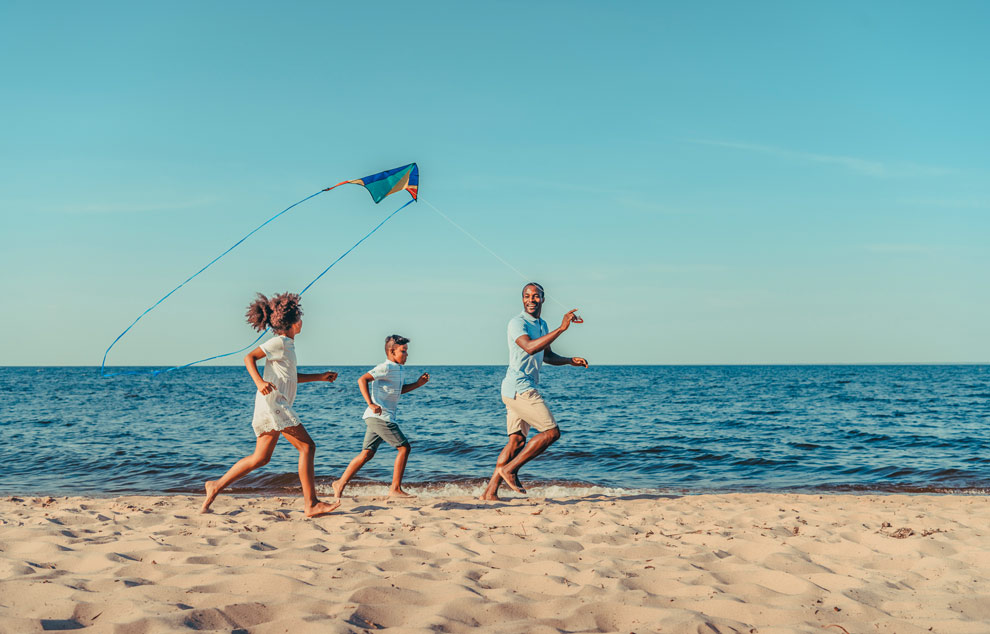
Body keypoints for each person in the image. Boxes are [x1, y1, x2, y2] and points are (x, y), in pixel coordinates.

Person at [201, 292, 340, 517]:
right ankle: (311, 503)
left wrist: (319, 376)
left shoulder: (287, 345)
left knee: (261, 458)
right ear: (295, 323)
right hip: (274, 404)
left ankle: (215, 485)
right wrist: (259, 382)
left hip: (271, 405)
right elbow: (249, 357)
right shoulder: (279, 342)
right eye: (300, 318)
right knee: (307, 447)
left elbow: (290, 376)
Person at [481, 283, 588, 500]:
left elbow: (546, 355)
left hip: (517, 388)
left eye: (536, 296)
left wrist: (568, 361)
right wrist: (562, 328)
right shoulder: (517, 323)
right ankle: (510, 470)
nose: (531, 300)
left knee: (517, 442)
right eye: (527, 296)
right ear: (522, 300)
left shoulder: (541, 324)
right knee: (551, 433)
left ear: (543, 299)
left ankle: (489, 493)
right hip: (519, 387)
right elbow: (530, 347)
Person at [332, 335, 430, 500]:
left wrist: (417, 384)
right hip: (380, 416)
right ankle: (395, 488)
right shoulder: (386, 367)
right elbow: (362, 379)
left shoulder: (398, 369)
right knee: (404, 448)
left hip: (378, 417)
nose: (407, 355)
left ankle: (340, 483)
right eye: (403, 351)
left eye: (406, 351)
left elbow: (398, 391)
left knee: (367, 454)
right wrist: (370, 403)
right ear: (392, 351)